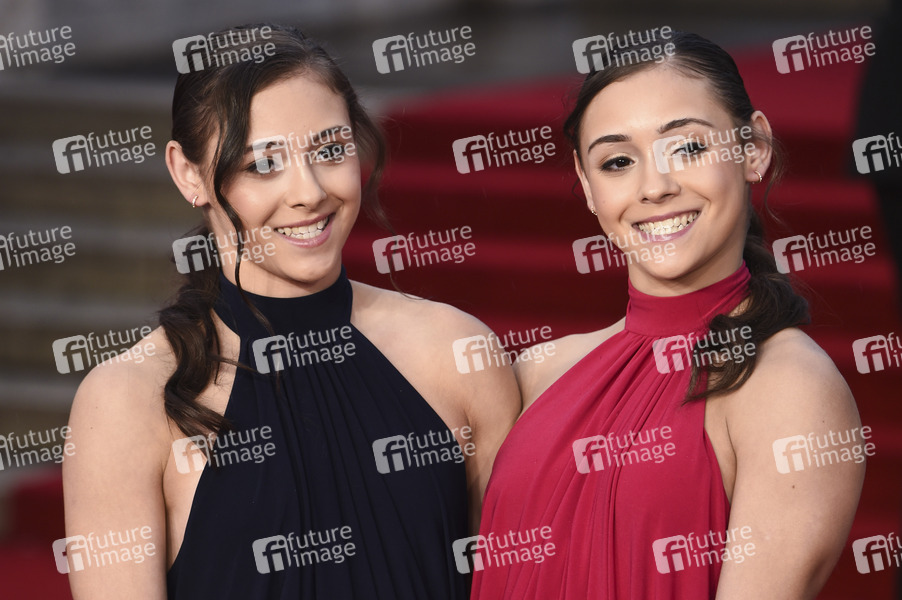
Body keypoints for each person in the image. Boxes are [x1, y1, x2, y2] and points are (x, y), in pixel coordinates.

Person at [62, 24, 519, 599]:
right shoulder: (126, 401)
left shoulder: (457, 352)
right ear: (188, 174)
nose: (309, 192)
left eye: (329, 151)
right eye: (263, 164)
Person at [472, 32, 864, 599]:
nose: (654, 187)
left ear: (753, 149)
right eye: (618, 162)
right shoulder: (538, 370)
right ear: (587, 186)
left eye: (688, 148)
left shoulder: (791, 387)